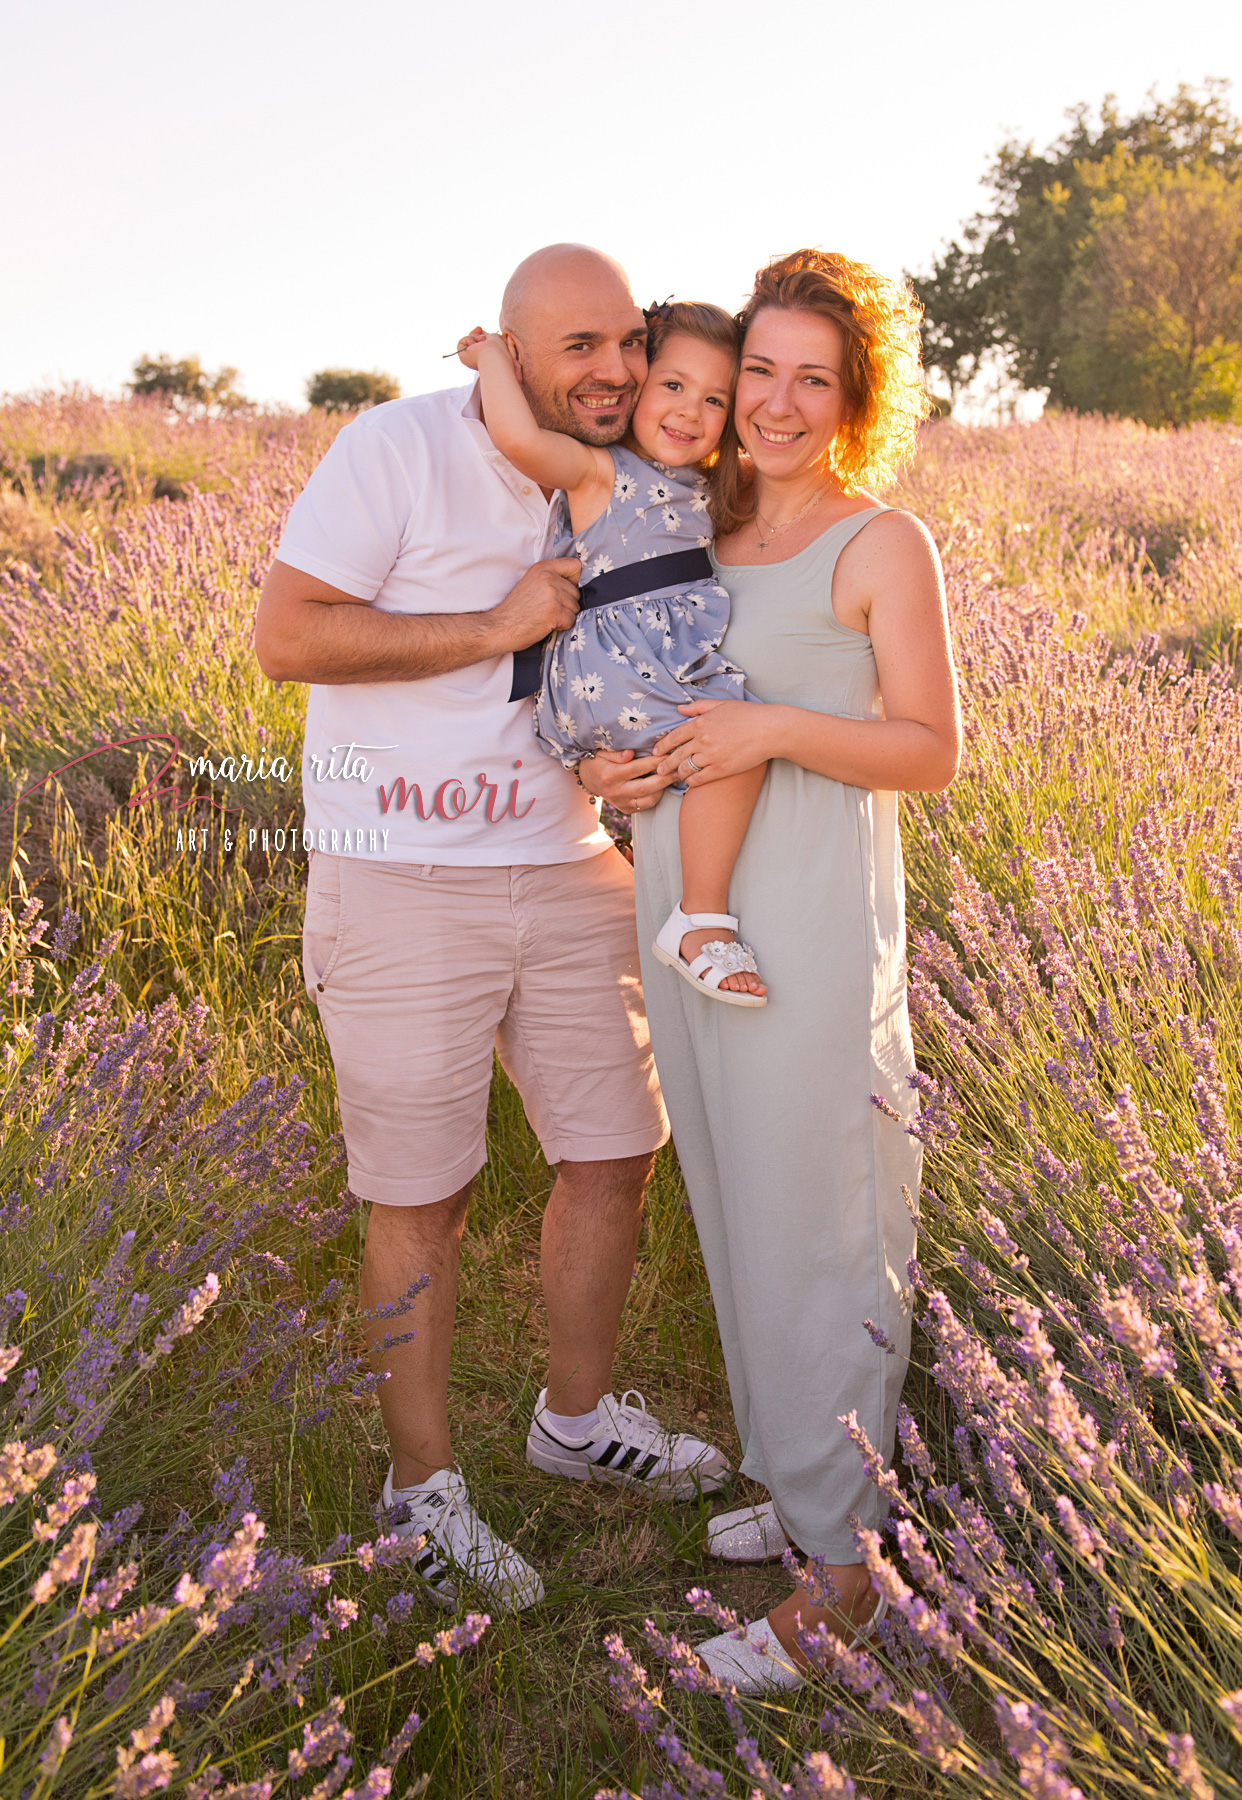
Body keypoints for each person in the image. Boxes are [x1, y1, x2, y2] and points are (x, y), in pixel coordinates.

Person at [253, 243, 727, 1617]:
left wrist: (624, 772)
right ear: (509, 354)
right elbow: (288, 637)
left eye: (626, 340)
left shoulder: (642, 473)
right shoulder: (395, 449)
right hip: (400, 874)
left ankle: (575, 1423)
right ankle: (420, 1494)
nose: (616, 370)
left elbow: (618, 661)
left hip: (571, 869)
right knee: (423, 1197)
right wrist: (491, 623)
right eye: (578, 347)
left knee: (614, 1152)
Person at [610, 248, 962, 1690]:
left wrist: (767, 736)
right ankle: (811, 1493)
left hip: (805, 921)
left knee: (820, 1218)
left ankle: (846, 1594)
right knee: (737, 1202)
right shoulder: (695, 515)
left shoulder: (879, 543)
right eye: (761, 367)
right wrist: (623, 763)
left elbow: (933, 751)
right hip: (683, 907)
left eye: (814, 376)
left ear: (854, 396)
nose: (775, 399)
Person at [455, 303, 768, 1004]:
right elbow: (518, 437)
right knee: (737, 746)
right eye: (673, 386)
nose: (691, 411)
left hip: (617, 679)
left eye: (715, 399)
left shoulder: (711, 483)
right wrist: (495, 361)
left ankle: (682, 893)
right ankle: (700, 918)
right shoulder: (601, 470)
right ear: (636, 387)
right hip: (615, 668)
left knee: (709, 758)